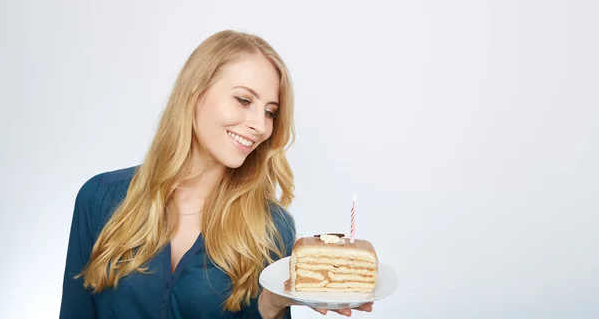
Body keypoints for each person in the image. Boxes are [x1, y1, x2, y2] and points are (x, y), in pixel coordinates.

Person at [59, 30, 373, 318]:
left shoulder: (270, 227)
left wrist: (273, 303)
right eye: (244, 100)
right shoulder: (100, 198)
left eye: (270, 112)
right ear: (196, 93)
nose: (261, 126)